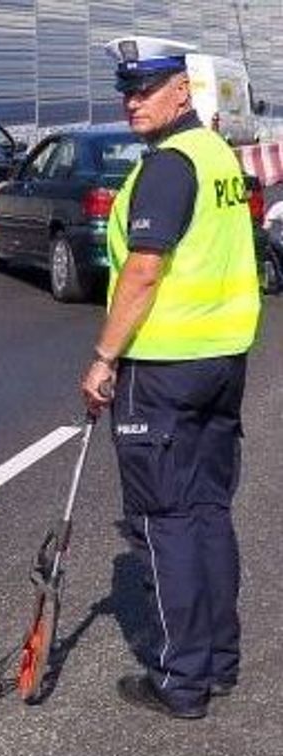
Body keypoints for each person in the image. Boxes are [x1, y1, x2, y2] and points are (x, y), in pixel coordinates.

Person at [81, 36, 261, 720]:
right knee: (208, 512)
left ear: (181, 90)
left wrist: (104, 357)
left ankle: (181, 680)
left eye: (146, 90)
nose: (133, 102)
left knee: (165, 522)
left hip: (163, 370)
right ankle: (219, 661)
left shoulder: (166, 167)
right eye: (126, 91)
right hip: (222, 361)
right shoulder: (217, 156)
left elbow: (144, 270)